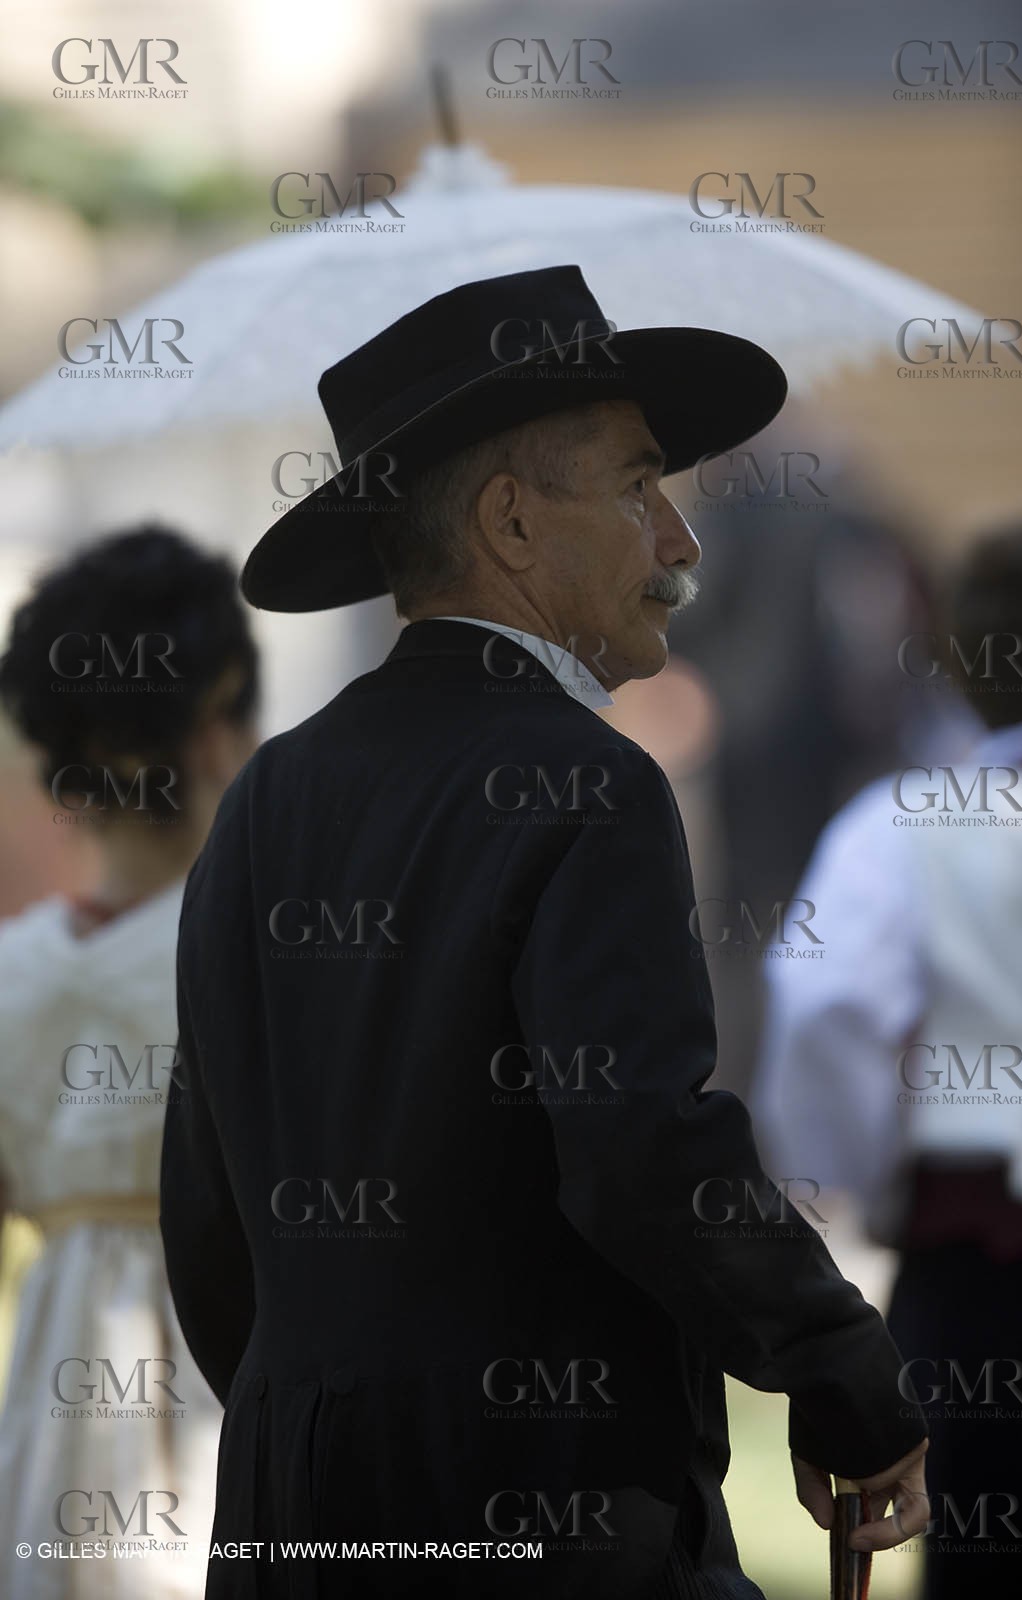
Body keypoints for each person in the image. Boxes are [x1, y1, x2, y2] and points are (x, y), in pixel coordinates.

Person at [161, 265, 928, 1600]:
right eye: (636, 486)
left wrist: (338, 1426)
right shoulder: (587, 781)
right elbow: (641, 1149)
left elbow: (207, 1214)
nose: (679, 541)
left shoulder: (267, 795)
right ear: (510, 521)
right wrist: (843, 1373)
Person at [753, 523, 1022, 1597]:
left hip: (976, 1274)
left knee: (983, 1559)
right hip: (976, 1259)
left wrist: (869, 1176)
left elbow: (826, 1002)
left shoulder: (899, 828)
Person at [0, 526, 260, 1598]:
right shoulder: (259, 952)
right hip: (229, 1382)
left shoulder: (13, 971)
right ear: (217, 730)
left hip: (52, 1405)